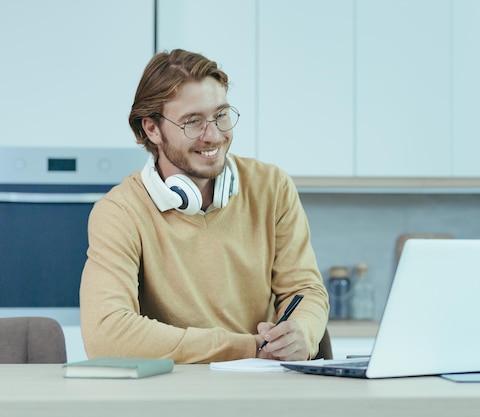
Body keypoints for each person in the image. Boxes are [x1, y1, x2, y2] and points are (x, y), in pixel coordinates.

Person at [79, 49, 329, 364]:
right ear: (152, 129)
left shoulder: (272, 186)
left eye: (221, 115)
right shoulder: (120, 211)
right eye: (193, 122)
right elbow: (106, 335)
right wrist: (247, 348)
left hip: (264, 387)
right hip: (171, 394)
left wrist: (302, 333)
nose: (214, 135)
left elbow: (304, 290)